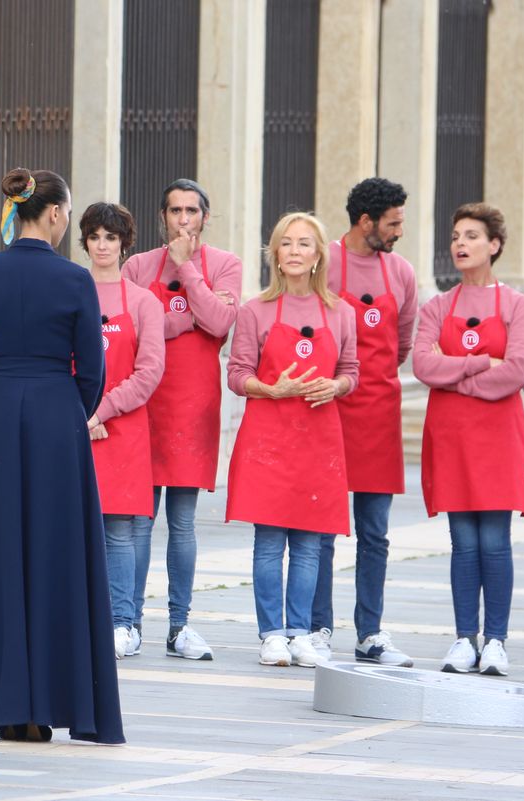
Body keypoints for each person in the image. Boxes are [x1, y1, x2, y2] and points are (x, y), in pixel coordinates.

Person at [0, 168, 124, 744]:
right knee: (54, 555)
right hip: (56, 419)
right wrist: (64, 407)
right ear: (59, 214)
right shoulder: (74, 279)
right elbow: (92, 371)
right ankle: (50, 700)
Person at [226, 212, 358, 668]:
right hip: (269, 436)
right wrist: (271, 389)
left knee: (308, 542)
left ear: (319, 254)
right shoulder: (254, 310)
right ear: (275, 255)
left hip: (319, 436)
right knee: (269, 540)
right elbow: (237, 374)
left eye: (305, 244)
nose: (296, 251)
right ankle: (271, 634)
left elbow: (352, 372)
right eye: (287, 243)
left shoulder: (342, 313)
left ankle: (301, 631)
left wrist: (336, 387)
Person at [413, 203, 524, 677]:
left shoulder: (519, 307)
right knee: (462, 543)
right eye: (455, 236)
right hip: (451, 436)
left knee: (496, 542)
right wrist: (477, 364)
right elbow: (423, 366)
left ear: (495, 245)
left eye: (471, 236)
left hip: (499, 437)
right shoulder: (437, 306)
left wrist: (455, 375)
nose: (460, 245)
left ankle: (497, 641)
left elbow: (518, 372)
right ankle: (464, 638)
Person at [121, 179, 240, 660]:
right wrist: (184, 319)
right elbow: (130, 327)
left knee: (184, 522)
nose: (183, 219)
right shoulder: (136, 265)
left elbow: (219, 322)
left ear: (205, 218)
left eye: (192, 210)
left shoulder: (225, 265)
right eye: (175, 211)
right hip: (144, 404)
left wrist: (188, 270)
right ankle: (127, 621)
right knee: (137, 521)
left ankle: (180, 624)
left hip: (194, 407)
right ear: (163, 216)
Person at [310, 178, 418, 667]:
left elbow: (402, 344)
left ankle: (370, 632)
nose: (399, 231)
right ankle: (317, 627)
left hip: (379, 413)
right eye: (393, 222)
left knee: (375, 534)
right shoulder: (324, 263)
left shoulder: (402, 274)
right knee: (323, 529)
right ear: (365, 221)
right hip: (329, 410)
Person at [78, 202, 165, 660]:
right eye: (94, 237)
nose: (103, 245)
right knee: (73, 527)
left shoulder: (144, 301)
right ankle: (78, 619)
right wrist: (78, 413)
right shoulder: (71, 290)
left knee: (118, 531)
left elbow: (149, 371)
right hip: (75, 425)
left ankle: (123, 622)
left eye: (111, 237)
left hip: (123, 430)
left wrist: (102, 411)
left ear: (123, 243)